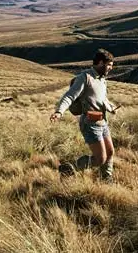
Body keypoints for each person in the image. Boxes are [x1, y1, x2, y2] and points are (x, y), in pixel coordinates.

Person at [50, 48, 118, 182]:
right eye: (109, 65)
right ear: (100, 62)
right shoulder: (85, 78)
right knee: (100, 159)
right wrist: (59, 112)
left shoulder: (102, 80)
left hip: (103, 122)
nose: (110, 68)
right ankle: (69, 169)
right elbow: (69, 96)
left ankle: (106, 179)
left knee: (110, 152)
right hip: (90, 124)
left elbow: (102, 99)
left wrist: (111, 108)